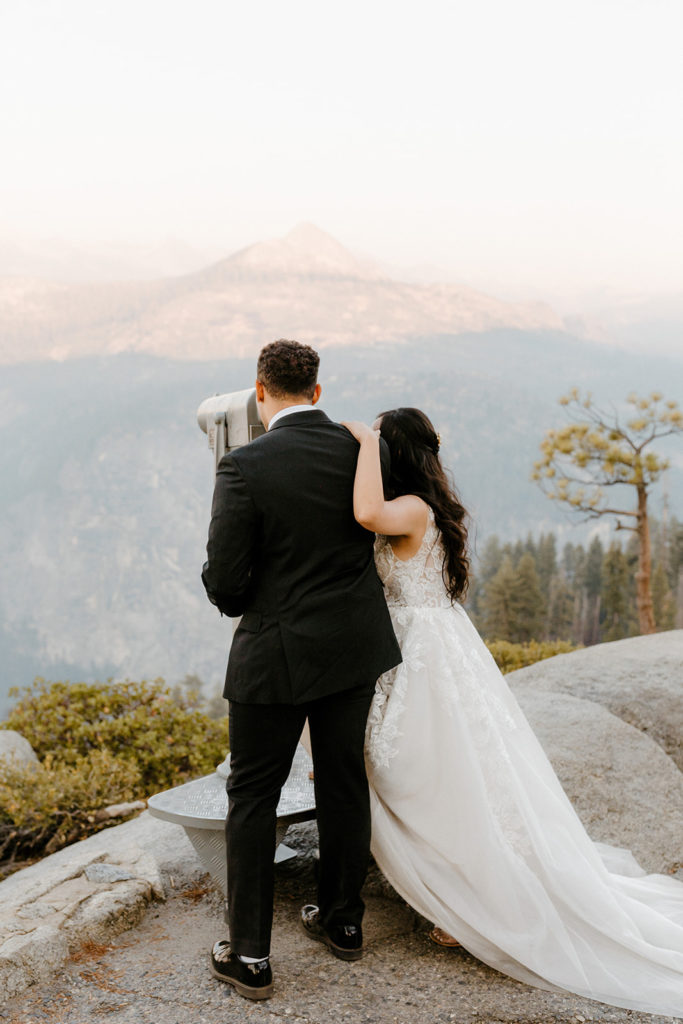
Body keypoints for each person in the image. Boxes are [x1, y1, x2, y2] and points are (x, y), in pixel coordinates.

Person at [341, 407, 683, 1018]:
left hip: (425, 654)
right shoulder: (428, 507)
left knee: (426, 776)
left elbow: (367, 513)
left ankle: (477, 897)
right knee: (443, 774)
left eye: (381, 441)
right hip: (425, 648)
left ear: (396, 453)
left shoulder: (413, 508)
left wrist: (362, 442)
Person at [201, 340, 401, 1001]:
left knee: (252, 795)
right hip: (351, 646)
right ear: (315, 392)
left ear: (259, 393)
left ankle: (251, 955)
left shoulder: (243, 466)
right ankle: (344, 922)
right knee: (344, 779)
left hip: (275, 654)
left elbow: (227, 585)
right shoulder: (361, 452)